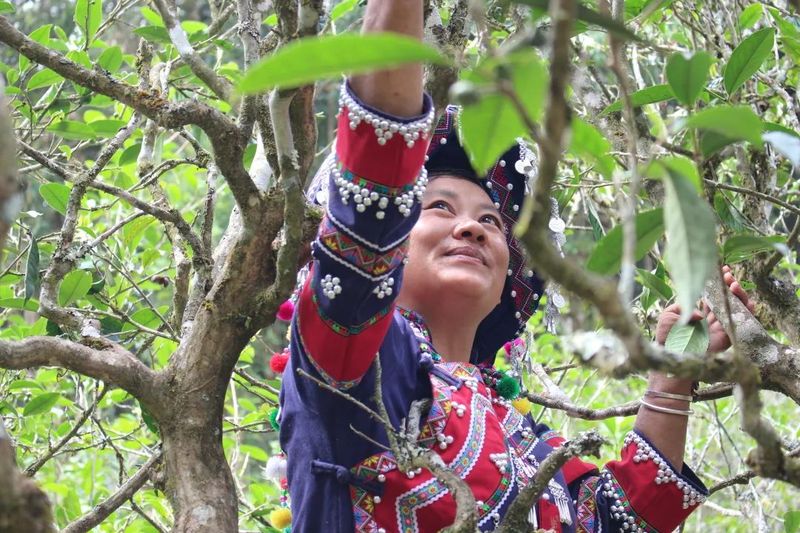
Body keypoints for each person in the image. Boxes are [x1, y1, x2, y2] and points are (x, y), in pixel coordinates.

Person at [275, 1, 753, 531]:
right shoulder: (352, 354)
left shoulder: (525, 436)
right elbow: (373, 185)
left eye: (492, 221)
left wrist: (672, 373)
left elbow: (620, 520)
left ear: (511, 274)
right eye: (439, 207)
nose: (474, 227)